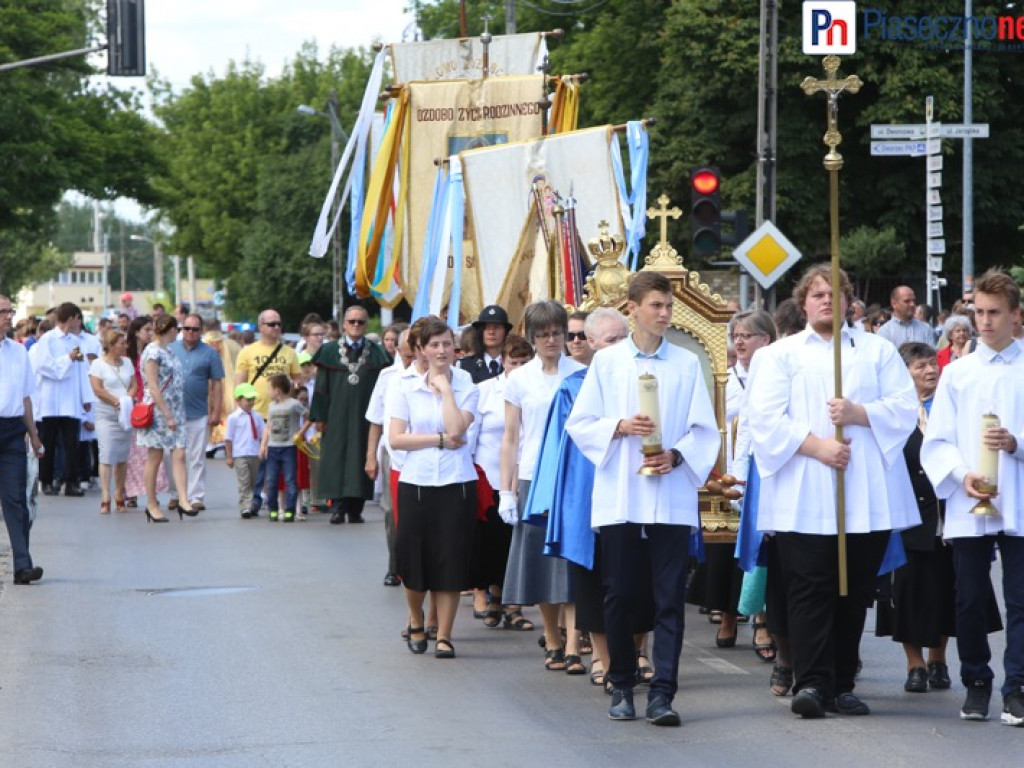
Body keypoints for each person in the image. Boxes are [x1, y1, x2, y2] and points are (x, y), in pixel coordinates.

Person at [746, 263, 919, 719]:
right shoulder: (779, 355)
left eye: (835, 293)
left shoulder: (877, 351)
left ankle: (843, 682)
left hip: (864, 492)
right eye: (817, 294)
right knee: (808, 588)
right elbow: (764, 419)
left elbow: (903, 407)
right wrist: (818, 446)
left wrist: (859, 413)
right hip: (804, 491)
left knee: (854, 587)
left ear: (849, 303)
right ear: (803, 302)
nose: (827, 300)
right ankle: (812, 682)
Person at [566, 272, 718, 726]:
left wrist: (677, 454)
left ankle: (663, 693)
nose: (665, 314)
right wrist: (618, 426)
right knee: (620, 592)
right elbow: (581, 423)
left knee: (669, 595)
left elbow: (704, 430)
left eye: (668, 306)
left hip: (669, 493)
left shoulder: (687, 364)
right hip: (623, 493)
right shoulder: (608, 363)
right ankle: (622, 684)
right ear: (633, 308)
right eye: (656, 305)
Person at [921, 268, 1024, 726]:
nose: (985, 322)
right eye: (979, 312)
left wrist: (1016, 443)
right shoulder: (957, 374)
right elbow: (937, 440)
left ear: (1016, 315)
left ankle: (1017, 685)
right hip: (971, 499)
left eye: (995, 313)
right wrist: (960, 475)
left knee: (1021, 598)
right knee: (969, 597)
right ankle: (977, 680)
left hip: (1019, 497)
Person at [525, 308, 634, 688]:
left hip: (638, 491)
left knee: (639, 580)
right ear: (591, 344)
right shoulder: (573, 387)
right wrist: (549, 500)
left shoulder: (646, 378)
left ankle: (641, 653)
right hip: (587, 493)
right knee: (593, 580)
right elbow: (558, 449)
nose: (619, 347)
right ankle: (602, 659)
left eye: (624, 339)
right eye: (610, 340)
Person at [500, 301, 586, 671]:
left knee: (571, 560)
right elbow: (511, 437)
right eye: (544, 334)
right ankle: (552, 636)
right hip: (533, 476)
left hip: (570, 477)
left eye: (557, 333)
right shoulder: (520, 379)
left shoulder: (581, 373)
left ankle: (574, 644)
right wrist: (506, 490)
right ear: (532, 338)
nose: (552, 340)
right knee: (540, 562)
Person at [389, 317, 478, 659]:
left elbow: (458, 429)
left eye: (446, 343)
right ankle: (415, 618)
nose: (442, 350)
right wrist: (438, 440)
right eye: (434, 344)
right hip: (417, 482)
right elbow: (398, 439)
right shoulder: (406, 387)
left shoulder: (468, 384)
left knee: (451, 559)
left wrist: (445, 391)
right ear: (422, 350)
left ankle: (444, 634)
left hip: (457, 483)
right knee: (414, 559)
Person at [691, 310, 777, 657]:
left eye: (747, 335)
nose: (739, 341)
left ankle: (762, 621)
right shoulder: (723, 380)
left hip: (762, 474)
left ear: (765, 340)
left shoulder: (773, 376)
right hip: (723, 476)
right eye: (736, 335)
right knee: (724, 553)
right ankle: (728, 616)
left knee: (762, 551)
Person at [467, 333, 534, 625]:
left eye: (523, 362)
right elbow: (472, 435)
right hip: (490, 474)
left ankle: (513, 604)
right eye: (512, 362)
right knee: (491, 540)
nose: (518, 368)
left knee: (517, 542)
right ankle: (492, 595)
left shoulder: (537, 390)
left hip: (526, 472)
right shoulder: (484, 391)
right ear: (502, 363)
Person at [309, 304, 390, 525]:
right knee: (336, 458)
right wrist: (319, 416)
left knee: (360, 456)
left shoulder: (376, 352)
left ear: (365, 325)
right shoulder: (329, 351)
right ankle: (336, 507)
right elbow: (321, 387)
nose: (356, 325)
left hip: (365, 415)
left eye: (360, 322)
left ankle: (355, 508)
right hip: (335, 414)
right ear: (344, 324)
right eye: (352, 321)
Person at [235, 308, 302, 514]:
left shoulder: (289, 353)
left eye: (278, 324)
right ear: (261, 327)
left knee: (282, 460)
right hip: (257, 413)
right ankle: (254, 499)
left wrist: (293, 389)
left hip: (282, 416)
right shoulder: (248, 352)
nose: (276, 328)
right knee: (258, 460)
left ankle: (284, 501)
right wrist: (240, 411)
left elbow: (298, 381)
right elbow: (239, 383)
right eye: (271, 324)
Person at [0, 295, 46, 584]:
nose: (8, 316)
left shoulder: (18, 353)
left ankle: (22, 565)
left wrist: (34, 434)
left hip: (12, 432)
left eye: (9, 311)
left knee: (16, 499)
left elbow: (25, 396)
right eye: (2, 311)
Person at [366, 327, 414, 585]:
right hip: (392, 452)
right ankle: (394, 566)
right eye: (404, 355)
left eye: (412, 355)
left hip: (420, 451)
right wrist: (370, 457)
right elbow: (375, 420)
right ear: (397, 351)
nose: (409, 361)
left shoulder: (428, 376)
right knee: (392, 511)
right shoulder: (388, 376)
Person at [136, 314, 196, 523]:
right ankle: (151, 504)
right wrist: (167, 414)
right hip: (159, 412)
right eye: (176, 330)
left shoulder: (168, 351)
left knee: (179, 453)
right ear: (170, 330)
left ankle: (183, 499)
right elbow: (152, 386)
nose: (177, 334)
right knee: (155, 456)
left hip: (177, 410)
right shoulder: (152, 352)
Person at [30, 302, 93, 497]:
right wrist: (67, 358)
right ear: (72, 318)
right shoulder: (47, 339)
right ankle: (47, 480)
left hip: (71, 399)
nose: (78, 323)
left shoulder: (76, 341)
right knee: (48, 442)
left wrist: (85, 396)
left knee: (71, 443)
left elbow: (82, 369)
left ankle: (71, 481)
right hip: (50, 400)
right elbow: (44, 366)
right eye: (77, 318)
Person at [167, 313, 224, 511]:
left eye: (195, 329)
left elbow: (217, 384)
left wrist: (217, 411)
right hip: (172, 413)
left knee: (196, 456)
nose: (190, 333)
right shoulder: (170, 349)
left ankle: (196, 496)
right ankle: (175, 494)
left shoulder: (210, 353)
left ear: (201, 331)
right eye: (187, 328)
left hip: (198, 412)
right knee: (172, 456)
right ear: (181, 329)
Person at [88, 329, 137, 513]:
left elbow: (133, 384)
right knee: (106, 453)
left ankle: (119, 493)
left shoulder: (128, 363)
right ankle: (105, 495)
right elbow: (97, 389)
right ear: (111, 345)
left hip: (124, 412)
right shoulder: (98, 364)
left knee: (123, 456)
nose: (126, 346)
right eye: (122, 343)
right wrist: (115, 401)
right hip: (106, 413)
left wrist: (127, 399)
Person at [259, 374, 306, 522]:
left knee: (290, 479)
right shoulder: (272, 406)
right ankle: (273, 509)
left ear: (277, 390)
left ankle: (290, 510)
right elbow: (268, 426)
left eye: (269, 389)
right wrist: (263, 445)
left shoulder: (293, 404)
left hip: (288, 447)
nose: (268, 392)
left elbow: (309, 416)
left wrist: (300, 432)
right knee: (271, 481)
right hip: (273, 447)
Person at [225, 383, 264, 519]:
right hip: (240, 454)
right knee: (244, 481)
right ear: (238, 400)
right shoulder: (233, 418)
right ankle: (245, 506)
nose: (251, 402)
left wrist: (263, 449)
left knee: (254, 481)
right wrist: (229, 457)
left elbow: (262, 434)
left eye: (253, 399)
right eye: (248, 399)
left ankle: (253, 503)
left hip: (254, 453)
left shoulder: (257, 417)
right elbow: (228, 439)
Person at [458, 304, 512, 383]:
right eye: (486, 328)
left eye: (496, 327)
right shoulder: (465, 365)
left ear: (505, 332)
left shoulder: (516, 363)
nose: (491, 332)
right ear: (480, 332)